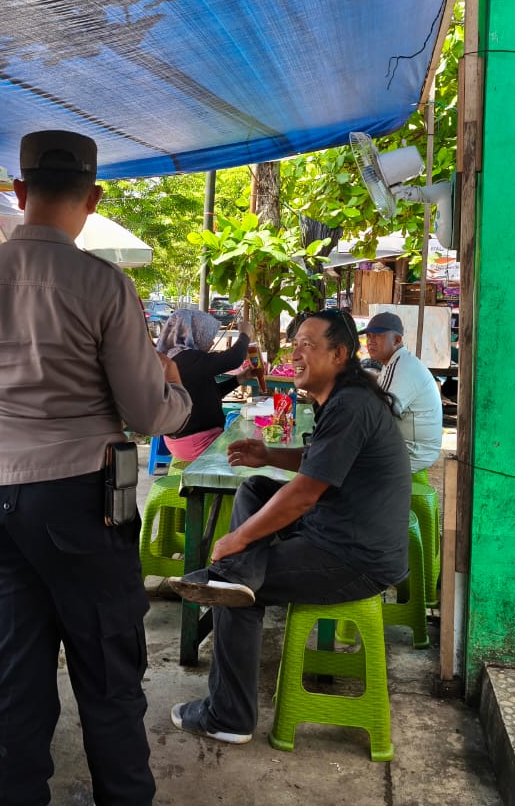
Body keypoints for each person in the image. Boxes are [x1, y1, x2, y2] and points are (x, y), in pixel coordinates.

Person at [0, 128, 192, 806]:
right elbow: (146, 412)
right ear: (94, 196)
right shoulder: (104, 284)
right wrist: (178, 393)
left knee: (17, 679)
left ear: (19, 192)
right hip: (84, 500)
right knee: (108, 677)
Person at [169, 309, 410, 744]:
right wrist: (268, 456)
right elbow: (319, 463)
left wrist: (236, 538)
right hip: (337, 534)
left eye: (308, 345)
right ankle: (237, 575)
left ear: (339, 354)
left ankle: (228, 716)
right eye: (294, 343)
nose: (296, 353)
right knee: (256, 488)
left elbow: (303, 494)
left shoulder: (351, 405)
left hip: (356, 557)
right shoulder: (340, 399)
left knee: (233, 594)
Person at [156, 309, 249, 461]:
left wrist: (240, 378)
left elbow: (209, 395)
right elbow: (235, 358)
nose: (212, 342)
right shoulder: (187, 358)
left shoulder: (173, 357)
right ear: (194, 333)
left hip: (182, 441)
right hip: (195, 442)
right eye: (208, 335)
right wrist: (245, 335)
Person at [358, 311, 444, 474]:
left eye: (377, 336)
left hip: (413, 451)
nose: (370, 342)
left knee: (349, 464)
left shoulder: (402, 366)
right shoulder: (391, 363)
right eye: (369, 336)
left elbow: (381, 413)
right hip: (409, 446)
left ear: (397, 340)